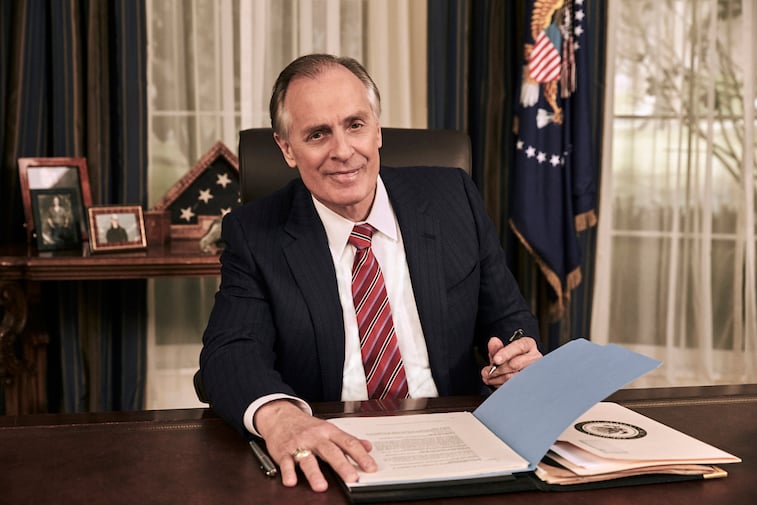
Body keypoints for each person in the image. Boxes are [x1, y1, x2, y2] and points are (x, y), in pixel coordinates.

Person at [199, 54, 543, 493]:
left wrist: (516, 356)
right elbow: (230, 352)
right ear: (286, 149)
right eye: (317, 134)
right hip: (332, 449)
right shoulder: (255, 233)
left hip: (456, 442)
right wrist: (281, 417)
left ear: (377, 129)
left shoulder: (453, 197)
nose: (343, 151)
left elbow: (509, 319)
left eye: (355, 125)